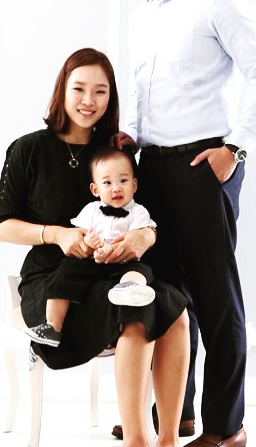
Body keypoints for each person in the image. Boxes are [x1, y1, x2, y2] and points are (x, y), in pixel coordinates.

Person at [0, 47, 215, 447]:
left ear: (111, 97)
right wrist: (57, 235)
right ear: (62, 90)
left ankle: (169, 443)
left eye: (100, 91)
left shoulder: (115, 154)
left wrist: (143, 238)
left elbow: (141, 217)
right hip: (55, 282)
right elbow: (2, 228)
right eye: (79, 89)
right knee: (136, 309)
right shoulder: (28, 149)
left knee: (174, 306)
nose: (88, 101)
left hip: (113, 273)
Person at [114, 0, 256, 447]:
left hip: (204, 165)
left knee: (216, 297)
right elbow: (141, 90)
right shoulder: (142, 14)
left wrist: (236, 147)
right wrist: (130, 137)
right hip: (153, 167)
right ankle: (176, 411)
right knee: (167, 296)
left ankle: (227, 426)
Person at [24, 146, 158, 348]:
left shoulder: (139, 212)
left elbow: (138, 238)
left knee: (142, 271)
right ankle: (52, 325)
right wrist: (89, 243)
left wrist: (113, 249)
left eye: (123, 181)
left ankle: (128, 288)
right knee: (65, 271)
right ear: (95, 190)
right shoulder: (91, 210)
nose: (116, 188)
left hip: (123, 262)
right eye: (107, 183)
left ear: (134, 184)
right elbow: (81, 236)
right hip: (92, 262)